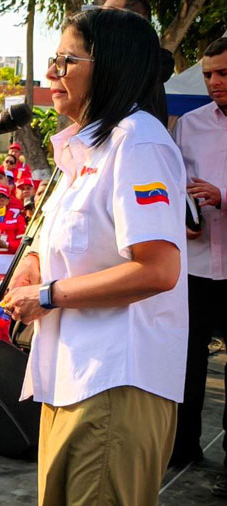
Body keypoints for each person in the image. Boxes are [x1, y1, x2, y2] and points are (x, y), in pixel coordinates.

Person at [2, 9, 186, 505]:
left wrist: (49, 294)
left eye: (67, 60)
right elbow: (61, 244)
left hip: (114, 380)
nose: (52, 74)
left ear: (111, 65)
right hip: (69, 375)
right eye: (54, 60)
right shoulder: (84, 149)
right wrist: (36, 265)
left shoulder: (138, 142)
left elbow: (158, 268)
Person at [172, 37, 227, 474]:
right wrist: (184, 215)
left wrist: (222, 197)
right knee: (186, 361)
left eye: (223, 73)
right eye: (208, 74)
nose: (214, 83)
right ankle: (182, 447)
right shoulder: (188, 124)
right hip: (197, 263)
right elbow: (175, 184)